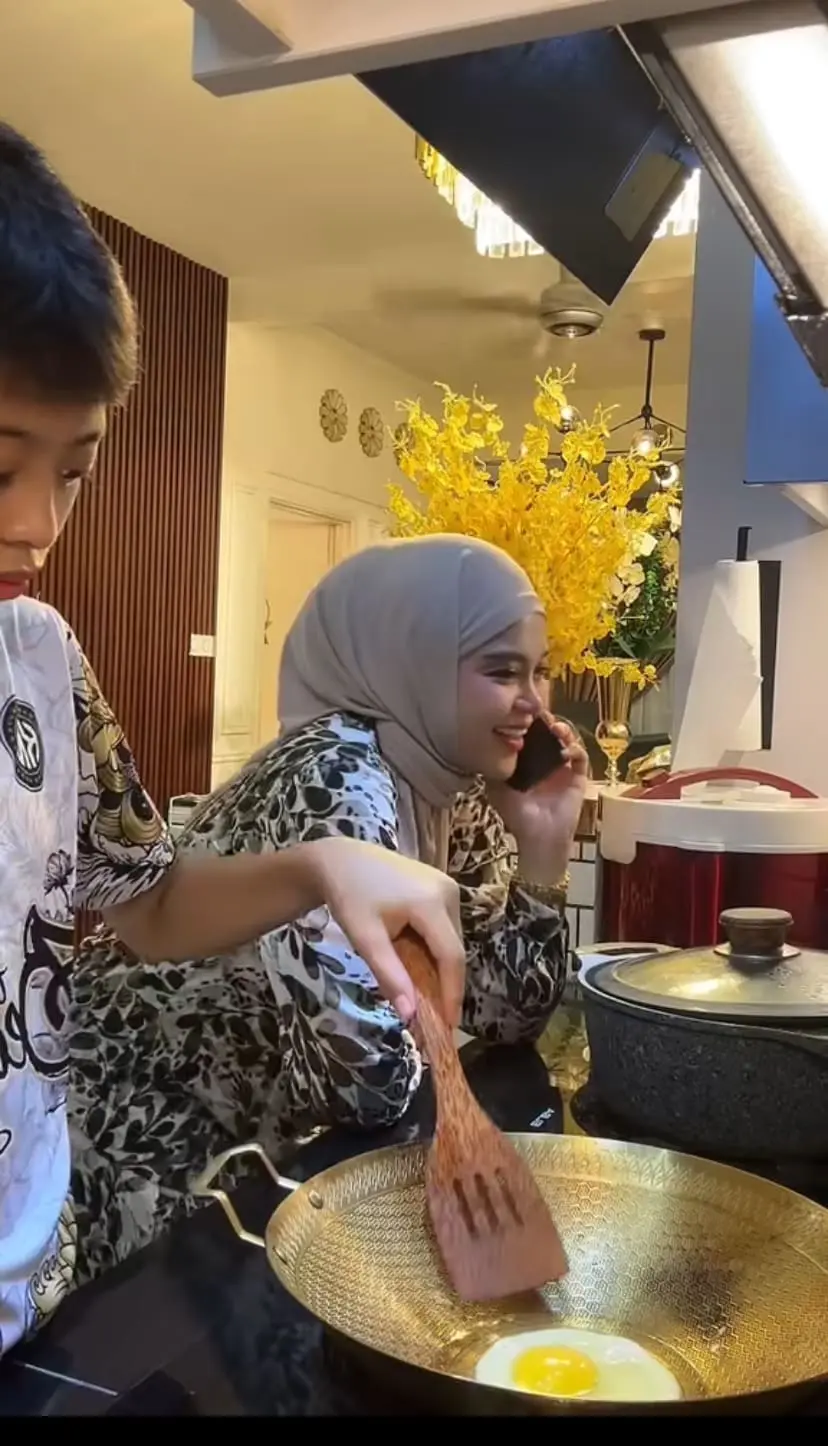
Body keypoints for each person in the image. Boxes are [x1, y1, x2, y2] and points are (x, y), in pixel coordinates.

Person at [0, 123, 466, 1359]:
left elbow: (146, 904)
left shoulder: (39, 659)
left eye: (77, 471)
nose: (38, 524)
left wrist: (322, 867)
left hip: (25, 1273)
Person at [70, 535, 589, 1285]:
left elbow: (509, 1016)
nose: (534, 703)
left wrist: (542, 848)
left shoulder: (452, 787)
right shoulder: (334, 776)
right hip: (133, 1126)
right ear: (410, 659)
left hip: (241, 1137)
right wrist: (424, 1025)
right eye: (501, 671)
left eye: (539, 671)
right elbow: (364, 1084)